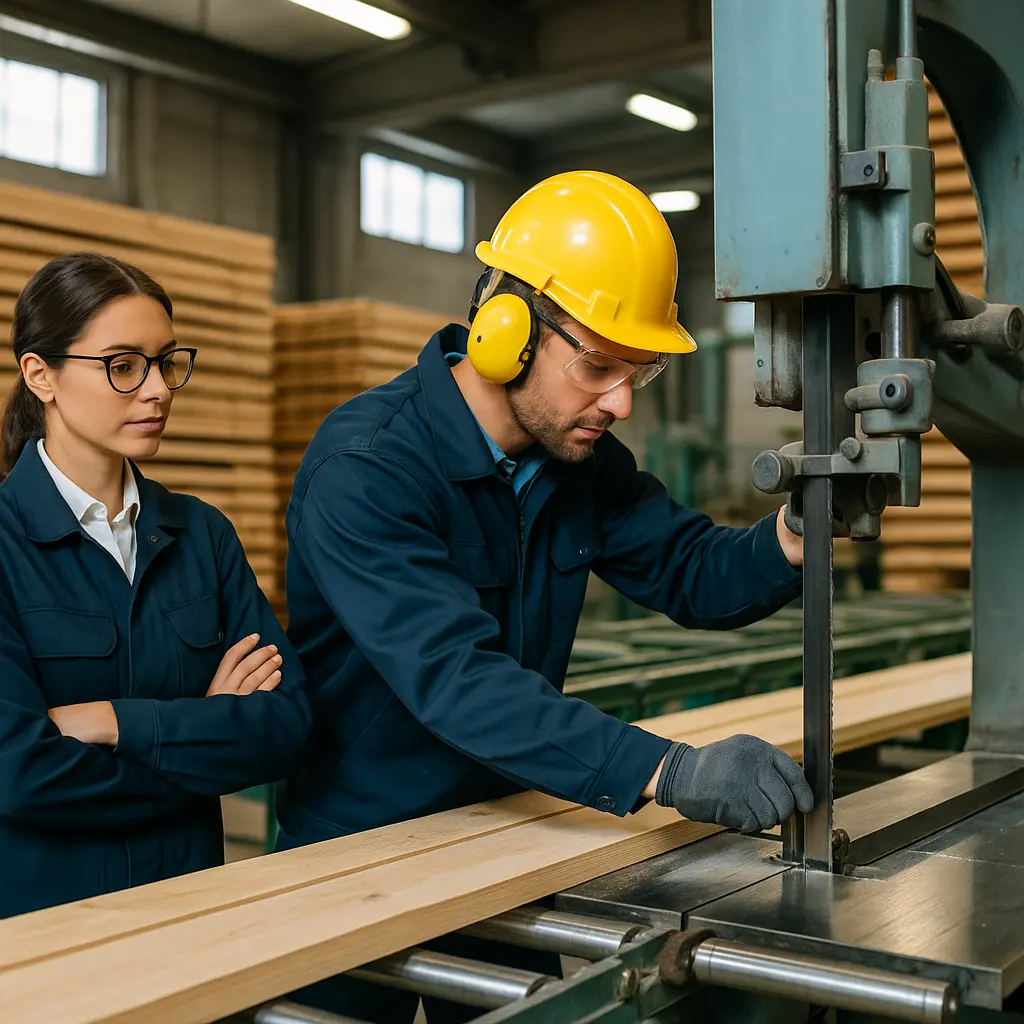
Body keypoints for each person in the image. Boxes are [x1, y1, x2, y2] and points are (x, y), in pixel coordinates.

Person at [276, 171, 813, 1021]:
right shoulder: (367, 467)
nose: (620, 402)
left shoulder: (580, 464)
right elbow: (457, 679)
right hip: (358, 857)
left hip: (504, 839)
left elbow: (692, 571)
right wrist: (667, 769)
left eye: (639, 372)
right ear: (506, 329)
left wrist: (794, 532)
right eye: (598, 365)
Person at [0, 252, 312, 919]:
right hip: (45, 933)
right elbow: (18, 775)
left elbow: (286, 726)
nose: (158, 389)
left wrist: (115, 722)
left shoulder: (202, 536)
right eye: (122, 365)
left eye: (166, 362)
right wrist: (204, 735)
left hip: (190, 916)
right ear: (40, 375)